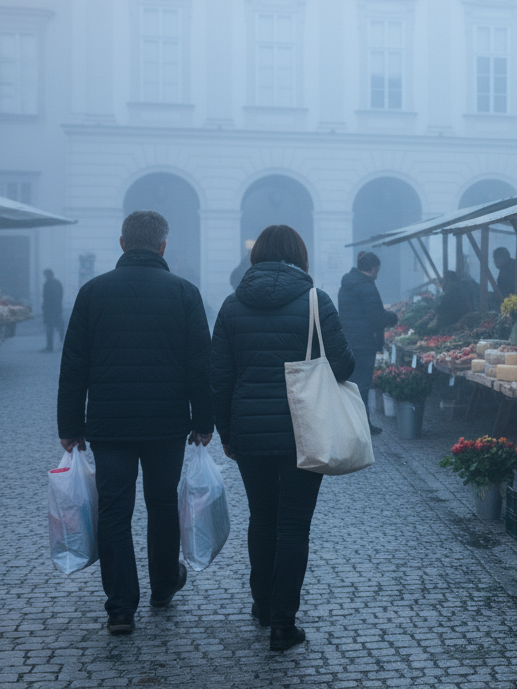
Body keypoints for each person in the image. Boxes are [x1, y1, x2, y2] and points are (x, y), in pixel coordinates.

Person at [56, 210, 212, 636]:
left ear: (122, 243)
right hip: (166, 423)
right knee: (162, 505)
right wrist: (204, 421)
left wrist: (70, 425)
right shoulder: (185, 293)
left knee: (114, 511)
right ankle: (163, 586)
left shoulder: (92, 292)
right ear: (163, 247)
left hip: (109, 424)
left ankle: (120, 608)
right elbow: (200, 365)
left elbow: (74, 366)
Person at [210, 224, 355, 651]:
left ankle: (261, 603)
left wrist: (226, 432)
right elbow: (343, 367)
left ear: (256, 258)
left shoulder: (232, 306)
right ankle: (282, 623)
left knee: (261, 517)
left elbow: (219, 378)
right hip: (304, 430)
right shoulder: (316, 301)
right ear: (299, 255)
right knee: (294, 525)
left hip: (250, 433)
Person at [339, 251, 398, 434]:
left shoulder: (346, 285)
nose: (377, 273)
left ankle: (350, 423)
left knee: (351, 383)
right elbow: (375, 317)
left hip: (349, 340)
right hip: (364, 343)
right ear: (373, 268)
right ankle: (362, 426)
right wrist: (392, 317)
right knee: (362, 386)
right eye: (377, 270)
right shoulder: (366, 287)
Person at [41, 268, 63, 352]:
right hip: (57, 308)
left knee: (49, 327)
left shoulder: (47, 284)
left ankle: (50, 346)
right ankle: (61, 342)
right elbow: (60, 296)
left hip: (49, 309)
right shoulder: (58, 283)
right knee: (59, 326)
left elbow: (46, 298)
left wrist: (44, 308)